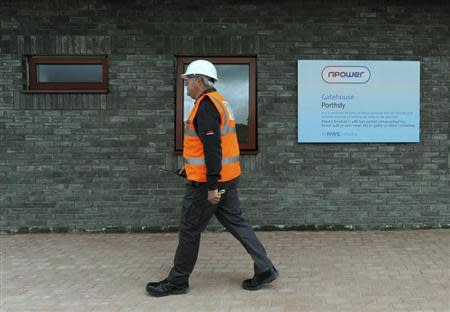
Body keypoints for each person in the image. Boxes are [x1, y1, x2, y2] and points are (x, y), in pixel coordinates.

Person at [146, 60, 278, 297]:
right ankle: (265, 268)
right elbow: (216, 147)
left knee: (189, 229)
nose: (186, 86)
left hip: (209, 186)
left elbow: (213, 148)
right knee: (237, 223)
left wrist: (212, 186)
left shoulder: (206, 106)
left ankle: (177, 282)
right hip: (228, 179)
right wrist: (192, 170)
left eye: (188, 81)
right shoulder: (220, 102)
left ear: (199, 80)